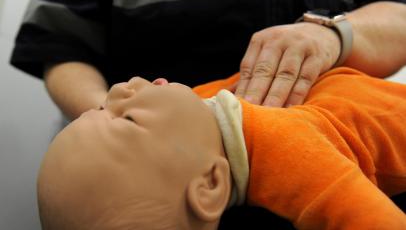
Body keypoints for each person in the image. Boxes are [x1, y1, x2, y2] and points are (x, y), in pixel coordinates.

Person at [9, 0, 406, 121]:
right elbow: (60, 43)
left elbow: (400, 16)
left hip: (349, 168)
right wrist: (115, 122)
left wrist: (331, 34)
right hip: (166, 185)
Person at [37, 67, 406, 230]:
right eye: (129, 119)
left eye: (102, 107)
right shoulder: (295, 160)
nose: (119, 90)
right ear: (211, 185)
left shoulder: (199, 116)